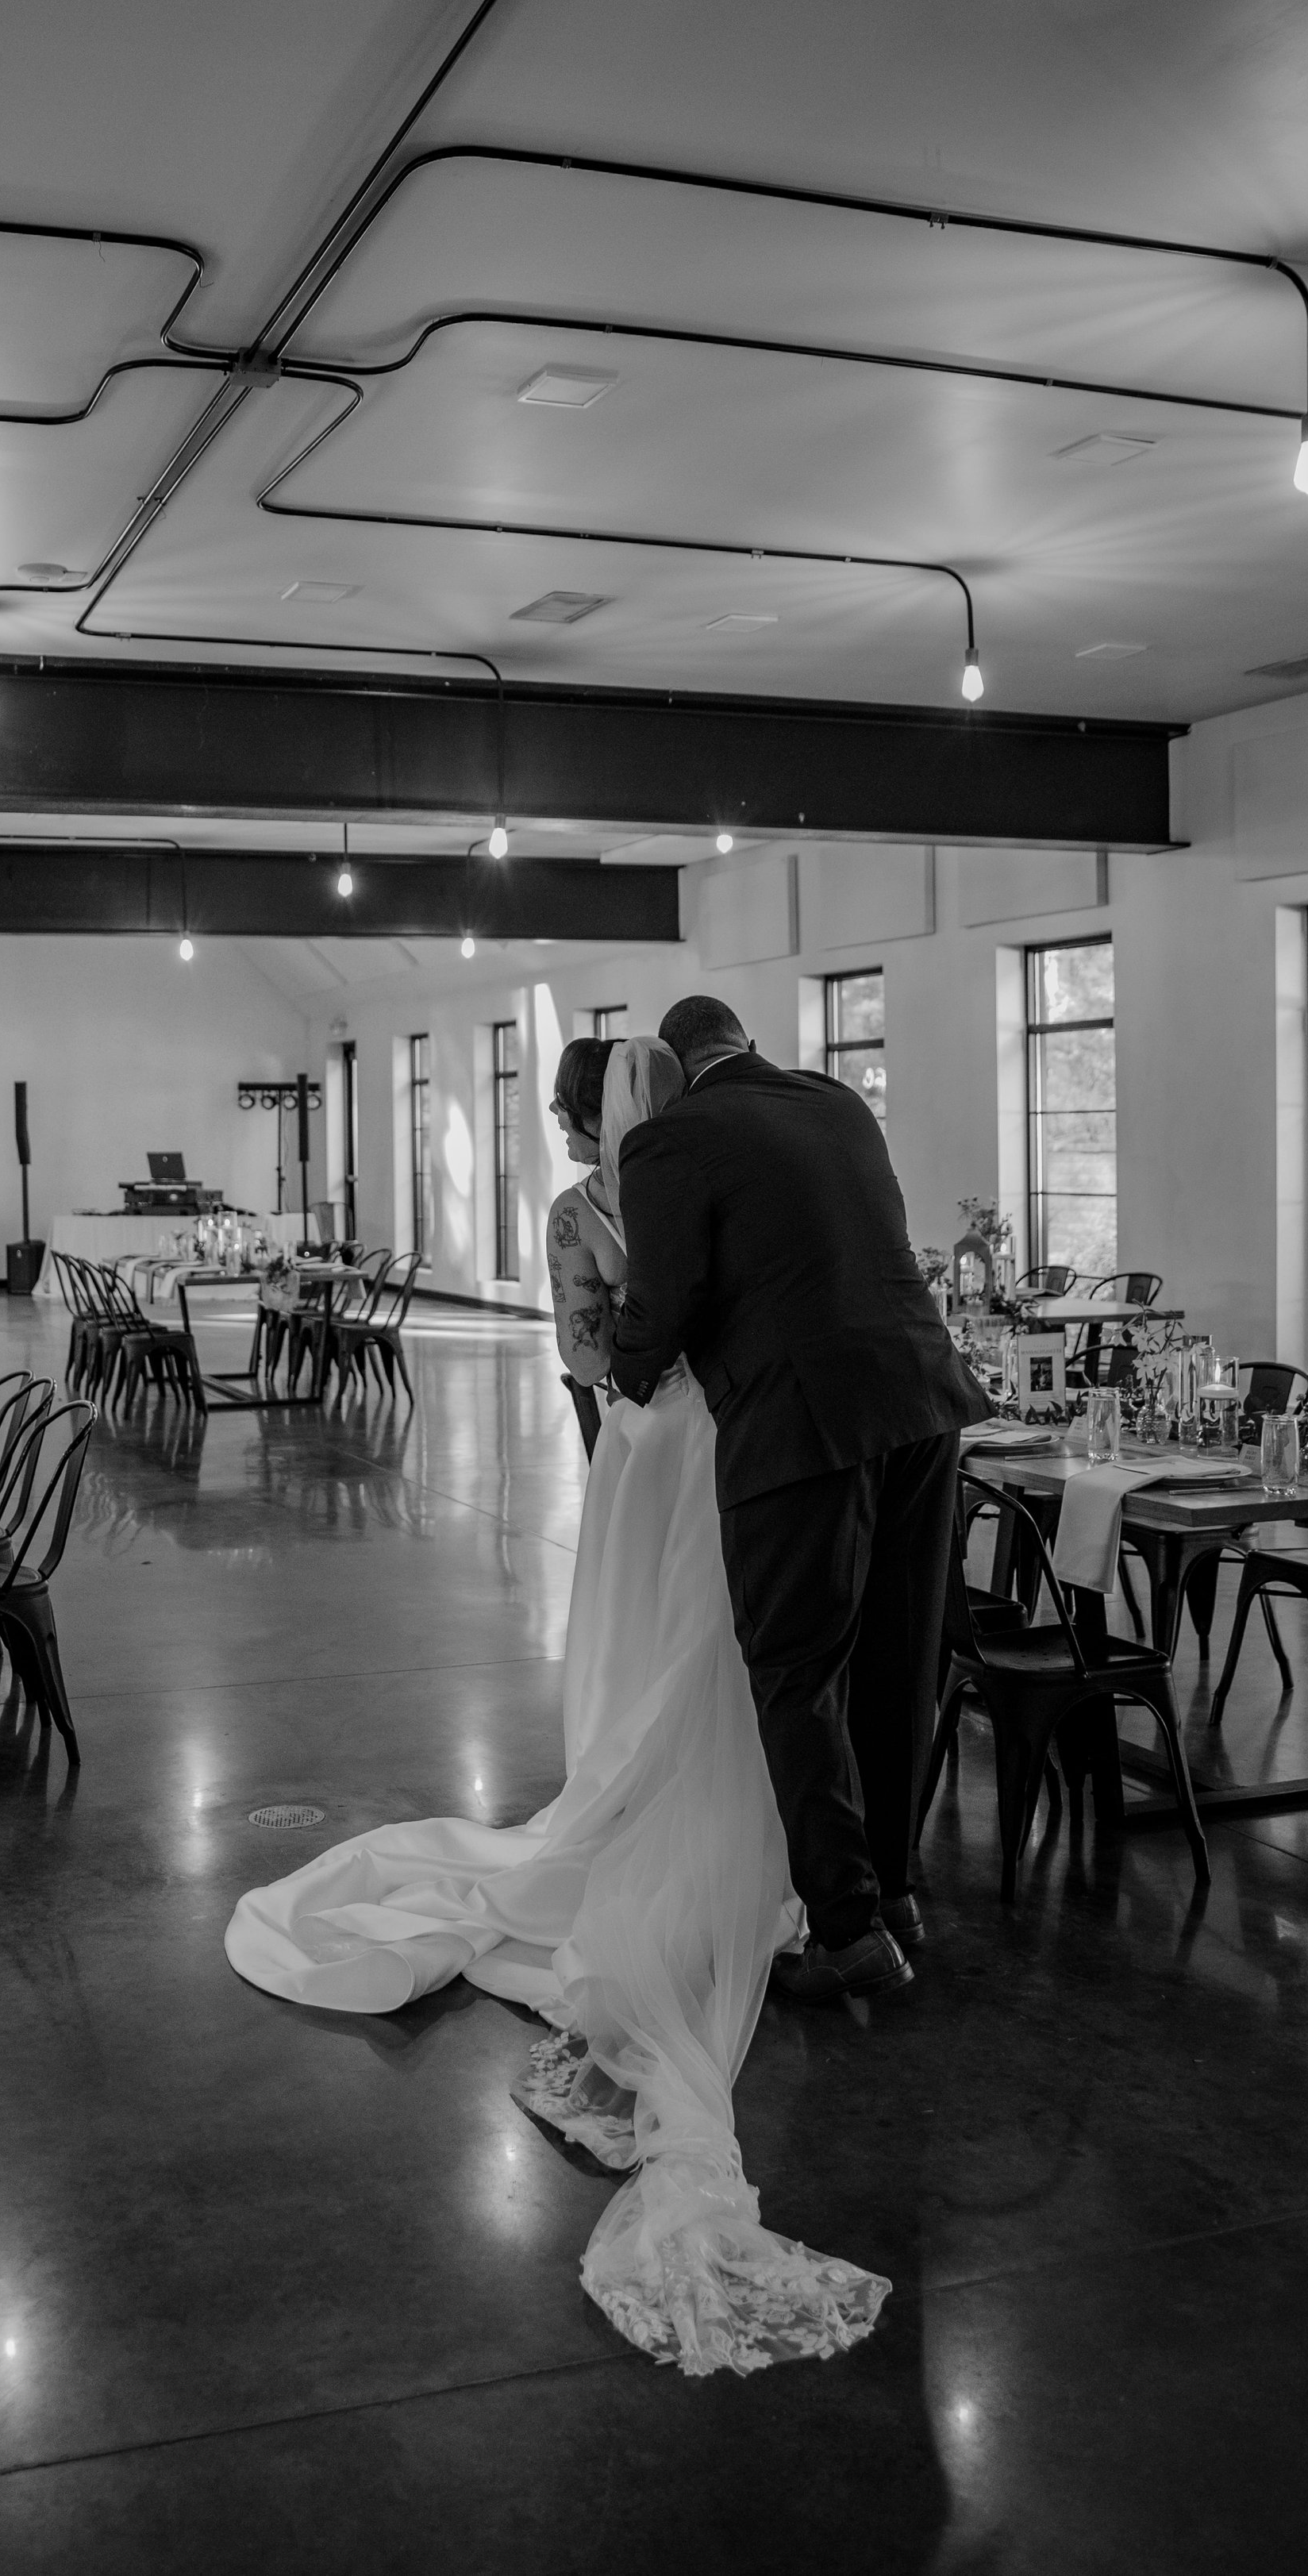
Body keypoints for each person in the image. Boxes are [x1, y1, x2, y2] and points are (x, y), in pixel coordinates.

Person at [225, 1038, 891, 2375]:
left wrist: (649, 1380)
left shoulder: (658, 1178)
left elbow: (634, 1329)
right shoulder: (677, 1177)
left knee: (733, 1652)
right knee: (737, 1655)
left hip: (710, 1429)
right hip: (703, 1429)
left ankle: (778, 1854)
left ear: (609, 1114)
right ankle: (797, 1858)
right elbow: (627, 1329)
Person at [609, 995, 989, 2005]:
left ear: (677, 1063)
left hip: (803, 1426)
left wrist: (625, 1368)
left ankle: (848, 1929)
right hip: (921, 1405)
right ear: (744, 1043)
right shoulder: (837, 1102)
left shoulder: (670, 1139)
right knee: (901, 1657)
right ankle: (895, 1891)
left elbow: (663, 1300)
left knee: (794, 1667)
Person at [544, 1035, 621, 1457]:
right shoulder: (694, 1185)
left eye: (564, 1100)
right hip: (730, 1417)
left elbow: (588, 1364)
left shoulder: (575, 1213)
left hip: (645, 1418)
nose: (555, 1111)